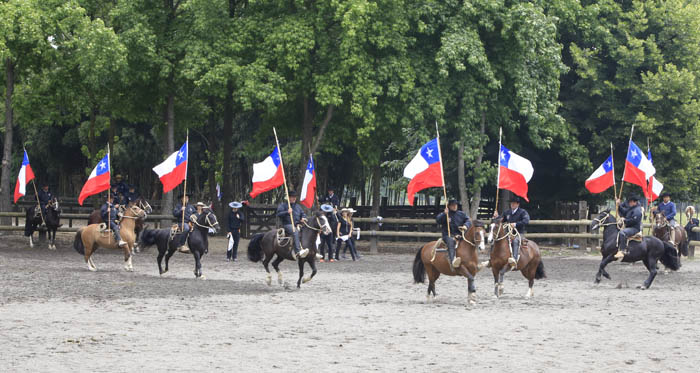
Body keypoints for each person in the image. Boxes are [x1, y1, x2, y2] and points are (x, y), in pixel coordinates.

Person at [482, 197, 530, 270]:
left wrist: (516, 224)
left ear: (518, 204)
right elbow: (500, 220)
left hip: (518, 233)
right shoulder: (507, 212)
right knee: (496, 241)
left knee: (515, 241)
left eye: (514, 203)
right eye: (511, 203)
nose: (512, 204)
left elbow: (526, 221)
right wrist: (496, 217)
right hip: (507, 233)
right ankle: (491, 259)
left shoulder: (523, 212)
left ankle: (514, 259)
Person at [435, 199, 471, 269]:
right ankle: (452, 262)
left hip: (460, 235)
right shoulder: (445, 214)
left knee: (469, 241)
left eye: (456, 205)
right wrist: (444, 214)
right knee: (451, 241)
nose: (454, 206)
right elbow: (438, 220)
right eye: (452, 205)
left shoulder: (462, 214)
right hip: (448, 236)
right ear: (449, 206)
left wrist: (465, 225)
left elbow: (468, 220)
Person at [276, 191, 309, 259]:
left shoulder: (298, 206)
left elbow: (303, 214)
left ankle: (311, 250)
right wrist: (287, 212)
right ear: (288, 198)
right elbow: (278, 214)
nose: (294, 198)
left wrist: (303, 218)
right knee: (295, 231)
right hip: (287, 224)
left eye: (295, 197)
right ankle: (298, 251)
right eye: (292, 197)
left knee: (309, 230)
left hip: (297, 224)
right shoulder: (283, 205)